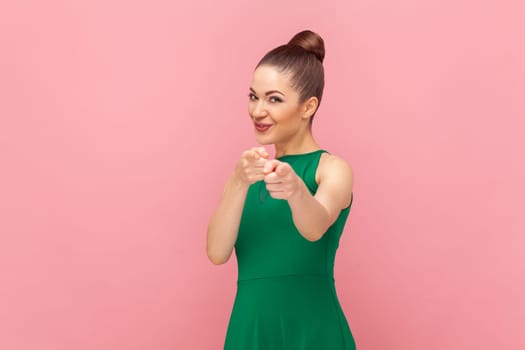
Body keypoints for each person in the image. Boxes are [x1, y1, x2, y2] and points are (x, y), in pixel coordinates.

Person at [207, 29, 356, 350]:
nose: (257, 110)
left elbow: (314, 227)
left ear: (308, 106)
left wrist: (295, 190)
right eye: (253, 96)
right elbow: (217, 253)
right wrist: (236, 181)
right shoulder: (248, 173)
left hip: (314, 330)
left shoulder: (331, 169)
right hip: (251, 330)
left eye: (273, 99)